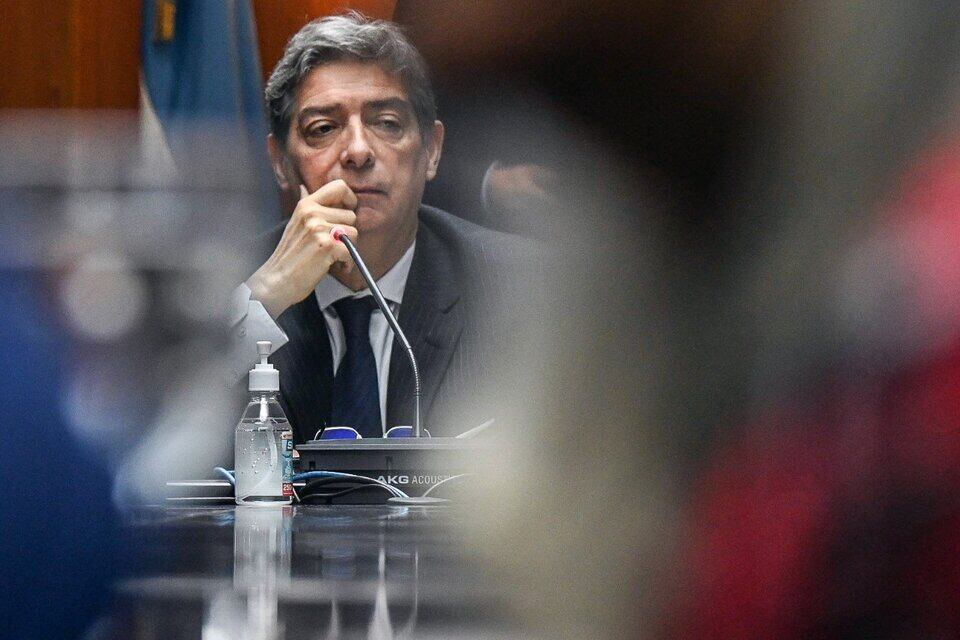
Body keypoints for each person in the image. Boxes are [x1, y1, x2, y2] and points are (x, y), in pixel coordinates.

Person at [229, 13, 539, 442]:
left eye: (387, 123)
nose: (358, 151)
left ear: (432, 151)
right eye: (324, 128)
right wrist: (266, 297)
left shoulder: (521, 285)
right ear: (281, 162)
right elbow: (161, 446)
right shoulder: (221, 289)